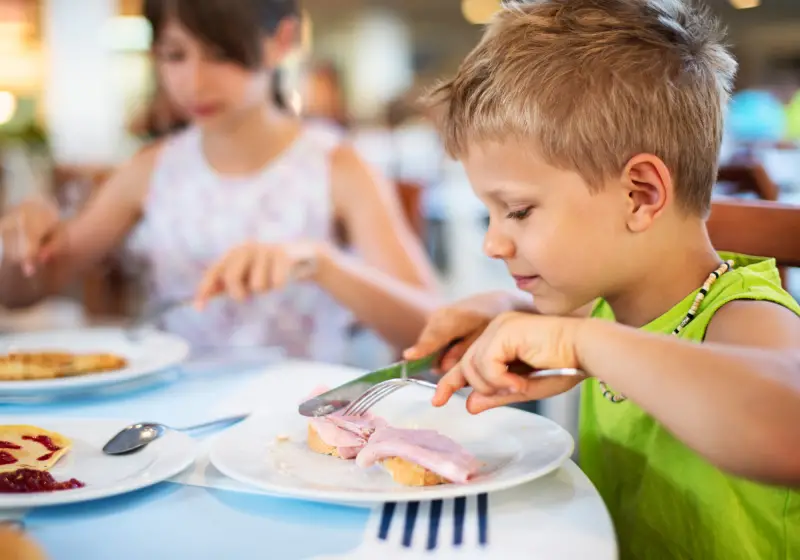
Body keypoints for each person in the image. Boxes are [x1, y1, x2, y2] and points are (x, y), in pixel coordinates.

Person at [403, 1, 800, 558]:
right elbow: (584, 327)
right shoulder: (613, 302)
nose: (493, 243)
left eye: (517, 211)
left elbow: (788, 431)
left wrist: (579, 342)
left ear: (640, 195)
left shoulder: (746, 314)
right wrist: (504, 309)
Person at [0, 0, 439, 362]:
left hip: (299, 420)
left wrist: (321, 264)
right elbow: (24, 292)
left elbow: (431, 327)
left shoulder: (337, 166)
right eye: (175, 55)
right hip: (170, 420)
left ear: (281, 41)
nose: (193, 81)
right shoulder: (152, 169)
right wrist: (17, 245)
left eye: (219, 54)